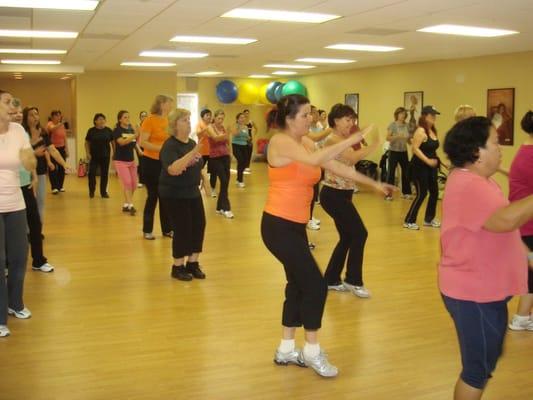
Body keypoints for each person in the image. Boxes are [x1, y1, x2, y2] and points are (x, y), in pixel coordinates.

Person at [262, 94, 393, 377]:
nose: (311, 119)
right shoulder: (280, 141)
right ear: (289, 119)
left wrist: (374, 184)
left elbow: (336, 166)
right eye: (306, 115)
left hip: (296, 225)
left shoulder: (306, 142)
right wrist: (354, 137)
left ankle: (286, 349)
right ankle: (311, 351)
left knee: (297, 284)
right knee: (316, 286)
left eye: (311, 114)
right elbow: (317, 158)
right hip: (277, 225)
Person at [440, 116, 531, 400]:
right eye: (495, 142)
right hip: (473, 294)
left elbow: (493, 229)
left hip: (482, 289)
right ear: (476, 152)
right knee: (477, 371)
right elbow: (506, 220)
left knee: (486, 361)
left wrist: (524, 256)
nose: (501, 147)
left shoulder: (477, 180)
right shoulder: (470, 185)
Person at [320, 104, 386, 298]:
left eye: (352, 120)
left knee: (348, 236)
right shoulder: (333, 139)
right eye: (348, 120)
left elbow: (352, 157)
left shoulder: (344, 139)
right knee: (360, 233)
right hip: (333, 194)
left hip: (343, 193)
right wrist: (375, 144)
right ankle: (353, 280)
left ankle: (331, 279)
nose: (351, 123)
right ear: (336, 121)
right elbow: (352, 158)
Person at [0, 100, 37, 337]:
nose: (13, 106)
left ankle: (15, 303)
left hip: (15, 202)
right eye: (6, 103)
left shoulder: (18, 131)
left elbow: (29, 160)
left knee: (18, 256)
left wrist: (30, 161)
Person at [159, 108, 207, 281]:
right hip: (173, 193)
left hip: (192, 191)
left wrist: (206, 184)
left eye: (188, 119)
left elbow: (199, 166)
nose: (188, 122)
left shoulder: (191, 143)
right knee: (183, 228)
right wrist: (193, 153)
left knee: (199, 225)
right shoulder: (170, 145)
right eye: (184, 120)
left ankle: (193, 263)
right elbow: (173, 169)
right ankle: (177, 266)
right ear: (174, 125)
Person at [508, 110, 533, 331]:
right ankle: (521, 317)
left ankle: (523, 317)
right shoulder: (530, 154)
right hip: (527, 223)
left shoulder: (525, 150)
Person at [22, 107, 68, 221]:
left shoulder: (42, 132)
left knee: (40, 201)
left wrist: (64, 164)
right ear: (25, 117)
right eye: (31, 115)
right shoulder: (21, 132)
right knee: (27, 203)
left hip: (40, 171)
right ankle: (27, 230)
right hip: (24, 173)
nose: (35, 117)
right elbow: (19, 153)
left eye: (36, 114)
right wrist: (34, 153)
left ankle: (38, 229)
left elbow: (52, 150)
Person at [140, 95, 174, 239]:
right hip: (150, 163)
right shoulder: (149, 121)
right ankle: (147, 230)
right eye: (169, 103)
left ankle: (167, 229)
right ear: (161, 104)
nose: (171, 106)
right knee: (153, 196)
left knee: (165, 196)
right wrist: (161, 149)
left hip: (164, 163)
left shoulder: (169, 120)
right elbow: (143, 142)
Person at [404, 105, 441, 230]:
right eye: (431, 116)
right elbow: (415, 149)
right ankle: (409, 220)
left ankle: (429, 219)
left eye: (435, 115)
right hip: (419, 167)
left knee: (434, 192)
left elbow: (431, 150)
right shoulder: (420, 131)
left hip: (430, 168)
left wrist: (439, 162)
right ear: (424, 117)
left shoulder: (432, 131)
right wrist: (428, 161)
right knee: (422, 193)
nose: (434, 118)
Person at [207, 109, 233, 218]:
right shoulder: (210, 127)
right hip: (215, 158)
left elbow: (227, 141)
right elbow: (216, 138)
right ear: (215, 117)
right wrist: (228, 133)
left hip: (225, 156)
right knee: (224, 180)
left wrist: (230, 153)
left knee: (225, 182)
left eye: (222, 118)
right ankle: (226, 208)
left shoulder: (222, 128)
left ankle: (219, 207)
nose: (221, 120)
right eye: (219, 118)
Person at [113, 110, 139, 215]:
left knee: (134, 184)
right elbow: (122, 142)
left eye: (128, 117)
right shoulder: (117, 130)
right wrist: (135, 135)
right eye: (125, 117)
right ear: (120, 119)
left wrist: (139, 150)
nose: (127, 119)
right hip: (120, 161)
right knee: (127, 182)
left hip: (131, 160)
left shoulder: (130, 130)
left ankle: (126, 204)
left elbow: (134, 143)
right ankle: (131, 205)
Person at [385, 107, 412, 200]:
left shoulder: (407, 126)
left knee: (406, 172)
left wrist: (412, 141)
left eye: (404, 114)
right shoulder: (392, 125)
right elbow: (387, 138)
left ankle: (406, 193)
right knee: (391, 173)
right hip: (393, 151)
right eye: (401, 114)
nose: (402, 116)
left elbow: (409, 140)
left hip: (403, 151)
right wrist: (397, 136)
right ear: (397, 115)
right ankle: (388, 194)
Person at [85, 113, 113, 198]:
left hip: (105, 156)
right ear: (95, 121)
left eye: (103, 119)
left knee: (104, 174)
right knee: (91, 173)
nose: (102, 121)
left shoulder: (108, 130)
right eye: (100, 119)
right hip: (94, 156)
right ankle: (91, 191)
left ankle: (103, 192)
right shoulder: (91, 131)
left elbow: (113, 142)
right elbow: (87, 142)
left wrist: (115, 153)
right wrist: (88, 153)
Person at [46, 110, 68, 194]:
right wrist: (61, 124)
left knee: (62, 167)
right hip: (52, 149)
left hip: (62, 148)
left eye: (59, 115)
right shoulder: (50, 124)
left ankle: (60, 186)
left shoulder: (61, 126)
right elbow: (52, 129)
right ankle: (54, 187)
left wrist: (67, 148)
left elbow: (64, 137)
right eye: (57, 116)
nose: (59, 117)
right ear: (52, 117)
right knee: (53, 168)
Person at [196, 109, 215, 196]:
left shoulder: (212, 125)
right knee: (199, 169)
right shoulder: (200, 124)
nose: (209, 117)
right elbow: (198, 134)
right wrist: (206, 129)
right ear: (202, 116)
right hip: (202, 151)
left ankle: (211, 188)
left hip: (212, 151)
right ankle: (197, 185)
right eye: (207, 115)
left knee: (212, 170)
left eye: (210, 115)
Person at [230, 112, 250, 188]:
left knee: (244, 163)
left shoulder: (246, 127)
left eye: (243, 117)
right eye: (241, 118)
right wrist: (240, 127)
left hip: (244, 146)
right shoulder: (235, 126)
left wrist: (249, 138)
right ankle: (240, 180)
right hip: (236, 145)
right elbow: (235, 134)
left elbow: (247, 136)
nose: (243, 119)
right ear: (237, 119)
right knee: (241, 161)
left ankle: (238, 179)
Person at [136, 110, 147, 188]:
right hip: (140, 147)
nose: (144, 117)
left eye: (145, 116)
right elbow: (136, 137)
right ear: (140, 118)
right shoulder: (138, 126)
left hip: (148, 147)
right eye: (142, 116)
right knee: (141, 164)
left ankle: (147, 181)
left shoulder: (149, 125)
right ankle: (141, 181)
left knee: (148, 164)